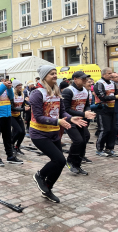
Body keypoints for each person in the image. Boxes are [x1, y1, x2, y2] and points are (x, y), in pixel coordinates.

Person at [30, 66, 86, 203]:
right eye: (51, 74)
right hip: (39, 134)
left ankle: (48, 188)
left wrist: (70, 118)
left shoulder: (56, 92)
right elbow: (37, 117)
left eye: (55, 73)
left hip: (54, 133)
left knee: (59, 163)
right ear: (44, 77)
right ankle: (40, 175)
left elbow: (62, 112)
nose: (55, 76)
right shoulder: (37, 93)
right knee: (60, 160)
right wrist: (58, 121)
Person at [62, 72, 96, 175]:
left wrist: (88, 111)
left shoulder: (85, 90)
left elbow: (87, 105)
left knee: (85, 138)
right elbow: (65, 109)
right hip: (70, 120)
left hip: (80, 119)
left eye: (86, 78)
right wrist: (83, 113)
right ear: (75, 79)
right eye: (83, 78)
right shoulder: (68, 91)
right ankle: (70, 161)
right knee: (78, 141)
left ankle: (78, 164)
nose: (85, 80)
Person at [94, 68, 118, 157]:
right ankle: (99, 149)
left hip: (112, 109)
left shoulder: (113, 83)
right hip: (102, 110)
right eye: (109, 73)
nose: (111, 75)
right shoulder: (99, 83)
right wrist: (117, 96)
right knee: (105, 130)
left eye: (111, 73)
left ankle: (109, 148)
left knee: (113, 129)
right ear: (103, 74)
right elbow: (102, 97)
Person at [11, 80, 28, 156]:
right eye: (18, 85)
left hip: (18, 115)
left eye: (21, 85)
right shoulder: (12, 95)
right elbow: (12, 108)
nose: (20, 87)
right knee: (18, 131)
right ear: (15, 87)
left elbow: (24, 102)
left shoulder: (22, 94)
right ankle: (11, 144)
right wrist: (23, 109)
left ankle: (17, 147)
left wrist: (31, 104)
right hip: (11, 115)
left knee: (23, 132)